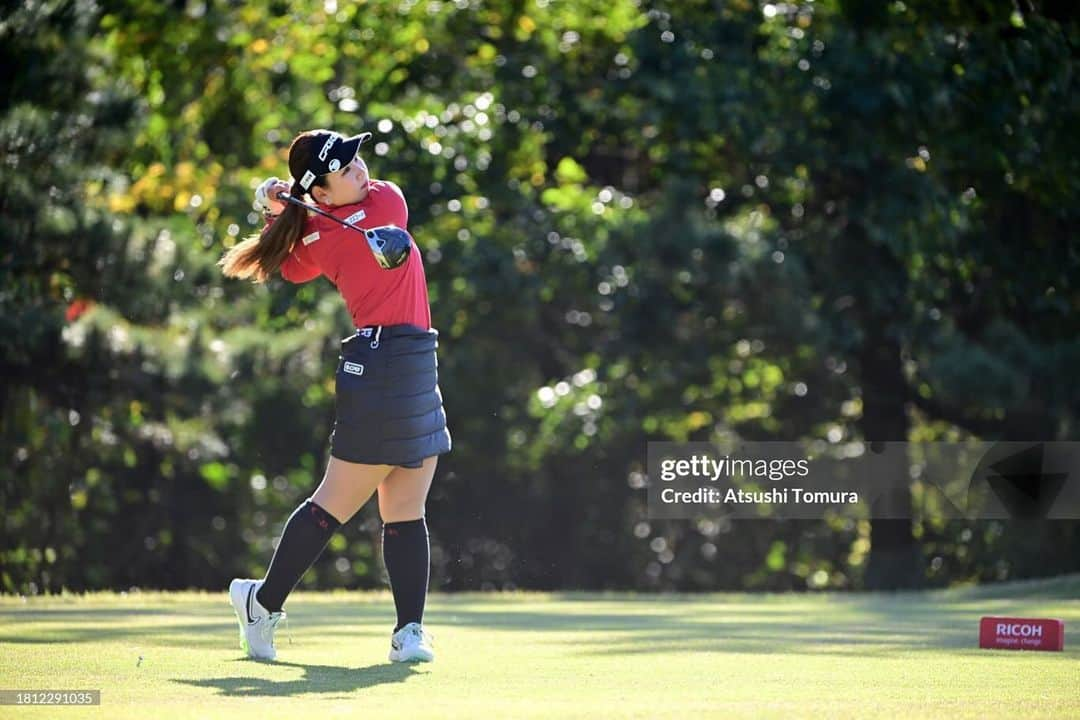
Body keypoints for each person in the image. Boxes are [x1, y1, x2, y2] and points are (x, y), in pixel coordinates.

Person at [217, 128, 451, 663]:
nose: (360, 171)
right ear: (320, 192)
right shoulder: (318, 233)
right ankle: (262, 603)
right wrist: (281, 211)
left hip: (416, 356)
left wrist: (289, 205)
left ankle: (409, 631)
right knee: (337, 501)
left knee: (407, 505)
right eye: (344, 170)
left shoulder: (384, 200)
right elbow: (295, 264)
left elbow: (324, 236)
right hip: (374, 361)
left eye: (357, 160)